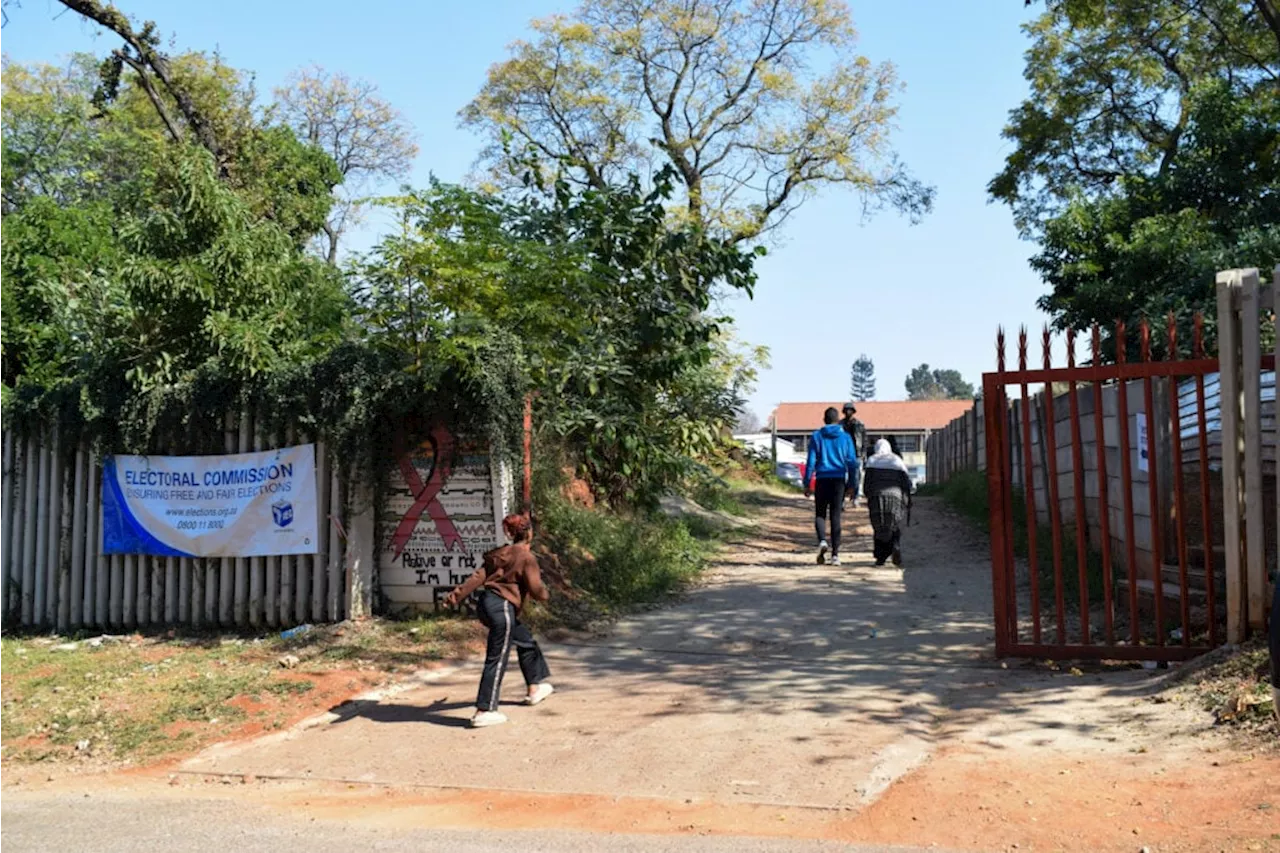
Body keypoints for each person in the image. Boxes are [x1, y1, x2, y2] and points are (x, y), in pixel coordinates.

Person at [443, 513, 554, 728]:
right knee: (497, 658)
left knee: (526, 641)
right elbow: (537, 590)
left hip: (487, 605)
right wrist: (546, 595)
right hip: (503, 608)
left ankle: (534, 688)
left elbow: (477, 577)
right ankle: (484, 710)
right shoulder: (525, 557)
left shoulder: (499, 554)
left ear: (510, 533)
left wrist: (454, 597)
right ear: (529, 532)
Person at [804, 407, 860, 566]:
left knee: (820, 514)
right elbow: (852, 463)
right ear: (838, 420)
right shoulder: (846, 437)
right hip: (838, 480)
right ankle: (835, 555)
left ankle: (822, 541)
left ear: (824, 420)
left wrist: (807, 483)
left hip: (822, 479)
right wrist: (852, 486)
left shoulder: (817, 436)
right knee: (836, 516)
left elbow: (811, 462)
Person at [863, 439, 912, 567]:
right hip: (895, 496)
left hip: (876, 496)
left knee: (878, 526)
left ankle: (880, 557)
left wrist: (867, 495)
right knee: (893, 524)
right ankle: (895, 545)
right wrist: (907, 500)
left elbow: (867, 482)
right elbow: (906, 482)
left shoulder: (872, 460)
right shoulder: (897, 460)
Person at [841, 403, 866, 503]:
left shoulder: (859, 425)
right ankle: (842, 497)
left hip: (856, 454)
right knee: (843, 477)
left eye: (850, 410)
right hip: (843, 454)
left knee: (856, 477)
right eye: (846, 410)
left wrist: (864, 454)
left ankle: (855, 497)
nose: (848, 412)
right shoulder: (840, 425)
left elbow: (864, 440)